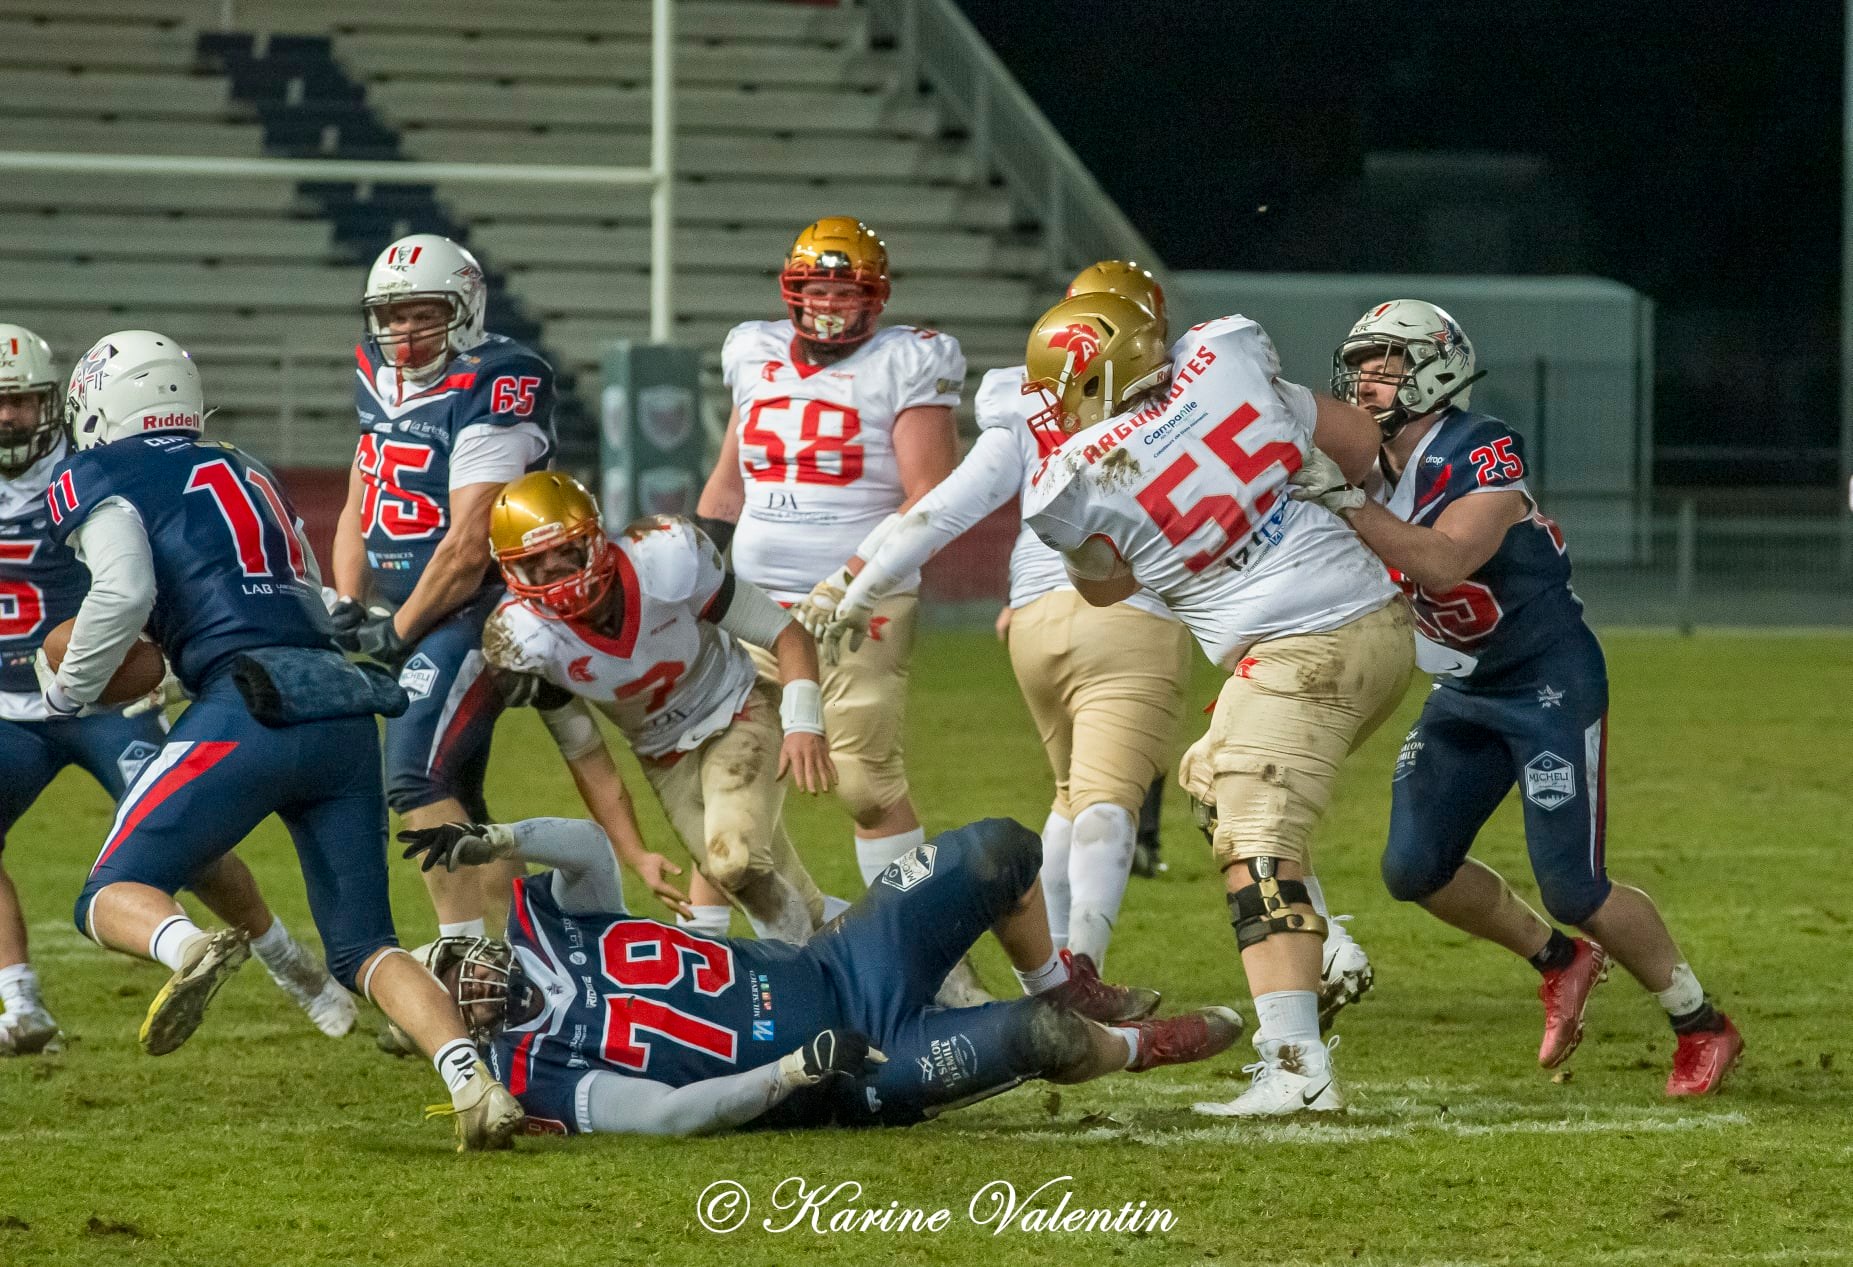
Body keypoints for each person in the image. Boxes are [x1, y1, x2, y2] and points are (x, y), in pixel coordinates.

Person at [40, 330, 522, 1149]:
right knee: (365, 945)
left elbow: (123, 590)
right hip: (338, 704)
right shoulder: (246, 463)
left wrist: (70, 686)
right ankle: (475, 1086)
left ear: (97, 405)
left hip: (246, 705)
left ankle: (190, 946)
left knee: (108, 894)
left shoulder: (98, 471)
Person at [1298, 298, 1742, 1095]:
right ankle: (1559, 959)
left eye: (1384, 362)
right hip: (1462, 685)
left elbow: (1444, 561)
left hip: (1545, 679)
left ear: (1434, 367)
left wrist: (1344, 503)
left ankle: (1700, 1020)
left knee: (1575, 884)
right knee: (1412, 866)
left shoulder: (1480, 447)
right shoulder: (1369, 469)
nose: (1364, 380)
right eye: (1358, 364)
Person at [1019, 293, 1415, 1116]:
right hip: (1372, 620)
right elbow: (1356, 443)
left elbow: (1108, 587)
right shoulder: (1222, 352)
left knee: (1253, 838)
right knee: (1206, 781)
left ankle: (1296, 1065)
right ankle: (1327, 949)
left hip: (1301, 649)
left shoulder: (1073, 474)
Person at [398, 814, 1240, 1135]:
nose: (465, 977)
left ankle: (1058, 976)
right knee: (1041, 1041)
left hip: (837, 958)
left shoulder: (547, 921)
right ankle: (1139, 1047)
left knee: (997, 848)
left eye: (451, 958)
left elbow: (582, 844)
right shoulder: (530, 1072)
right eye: (446, 994)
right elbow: (662, 1114)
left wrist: (499, 835)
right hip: (849, 1069)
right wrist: (794, 1071)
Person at [0, 322, 352, 1053]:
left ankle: (287, 958)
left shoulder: (98, 460)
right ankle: (18, 1001)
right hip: (8, 703)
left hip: (110, 691)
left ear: (55, 407)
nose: (7, 418)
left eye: (21, 402)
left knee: (191, 844)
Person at [695, 218, 988, 1001]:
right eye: (815, 289)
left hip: (862, 601)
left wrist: (854, 573)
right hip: (757, 605)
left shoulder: (905, 361)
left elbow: (932, 491)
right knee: (725, 771)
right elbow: (729, 482)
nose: (827, 305)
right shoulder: (753, 353)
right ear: (790, 292)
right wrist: (698, 570)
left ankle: (928, 949)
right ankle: (710, 958)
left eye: (843, 290)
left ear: (875, 297)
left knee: (862, 778)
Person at [481, 470, 837, 944]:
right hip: (664, 758)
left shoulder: (664, 557)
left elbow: (785, 634)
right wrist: (636, 854)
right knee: (769, 887)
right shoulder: (523, 640)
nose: (556, 572)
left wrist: (802, 723)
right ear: (510, 570)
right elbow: (587, 756)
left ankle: (814, 984)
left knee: (735, 863)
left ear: (594, 538)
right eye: (536, 562)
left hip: (735, 708)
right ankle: (908, 958)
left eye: (565, 551)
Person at [329, 233, 555, 941]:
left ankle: (465, 963)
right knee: (459, 795)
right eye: (392, 315)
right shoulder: (374, 370)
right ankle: (544, 948)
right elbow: (361, 495)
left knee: (414, 780)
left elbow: (467, 545)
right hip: (419, 609)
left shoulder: (498, 378)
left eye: (423, 313)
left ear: (465, 308)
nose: (403, 331)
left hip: (486, 604)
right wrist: (348, 599)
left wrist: (394, 633)